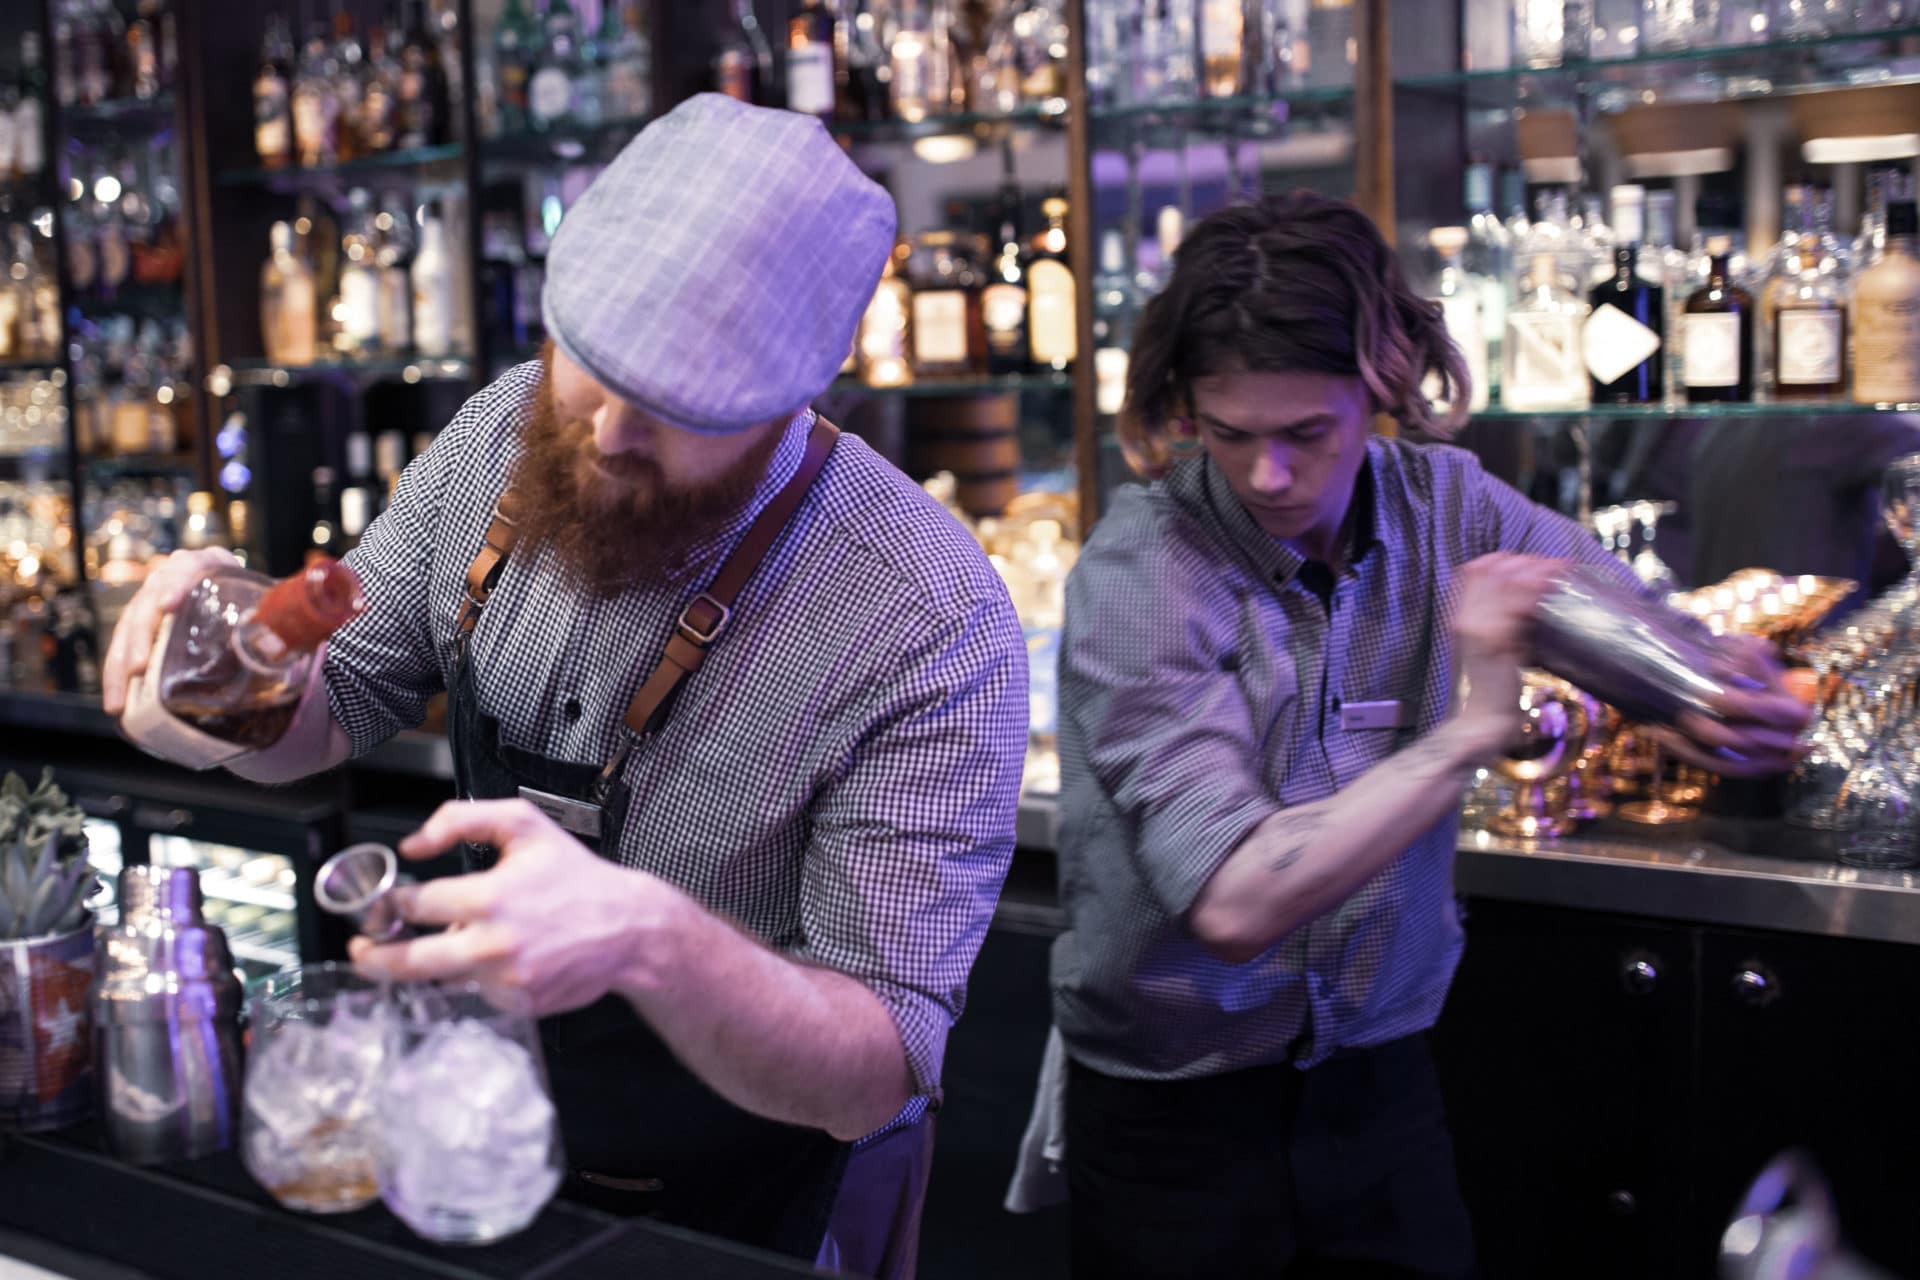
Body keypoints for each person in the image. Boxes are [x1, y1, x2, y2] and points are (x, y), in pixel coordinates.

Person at [102, 95, 1028, 1278]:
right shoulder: (501, 434)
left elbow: (872, 1066)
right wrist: (224, 678)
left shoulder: (927, 619)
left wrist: (651, 940)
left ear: (803, 390)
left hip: (766, 1190)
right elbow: (329, 712)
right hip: (492, 1130)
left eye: (685, 408)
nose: (612, 432)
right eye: (592, 363)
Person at [1006, 191, 1809, 1278]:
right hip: (1176, 1116)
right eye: (1230, 433)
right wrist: (1473, 725)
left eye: (1307, 433)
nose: (1268, 475)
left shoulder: (1448, 505)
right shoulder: (1147, 567)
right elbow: (1235, 899)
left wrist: (1718, 693)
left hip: (1380, 1086)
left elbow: (1631, 632)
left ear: (1380, 385)